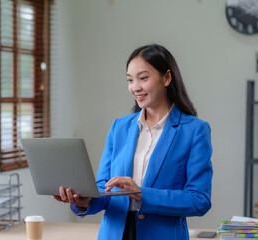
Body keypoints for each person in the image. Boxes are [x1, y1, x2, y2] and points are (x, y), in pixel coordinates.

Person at [52, 44, 213, 240]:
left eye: (143, 78)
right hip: (114, 233)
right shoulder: (119, 127)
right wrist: (83, 200)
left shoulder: (194, 130)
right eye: (130, 80)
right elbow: (104, 187)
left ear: (167, 78)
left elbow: (199, 200)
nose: (135, 87)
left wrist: (141, 194)